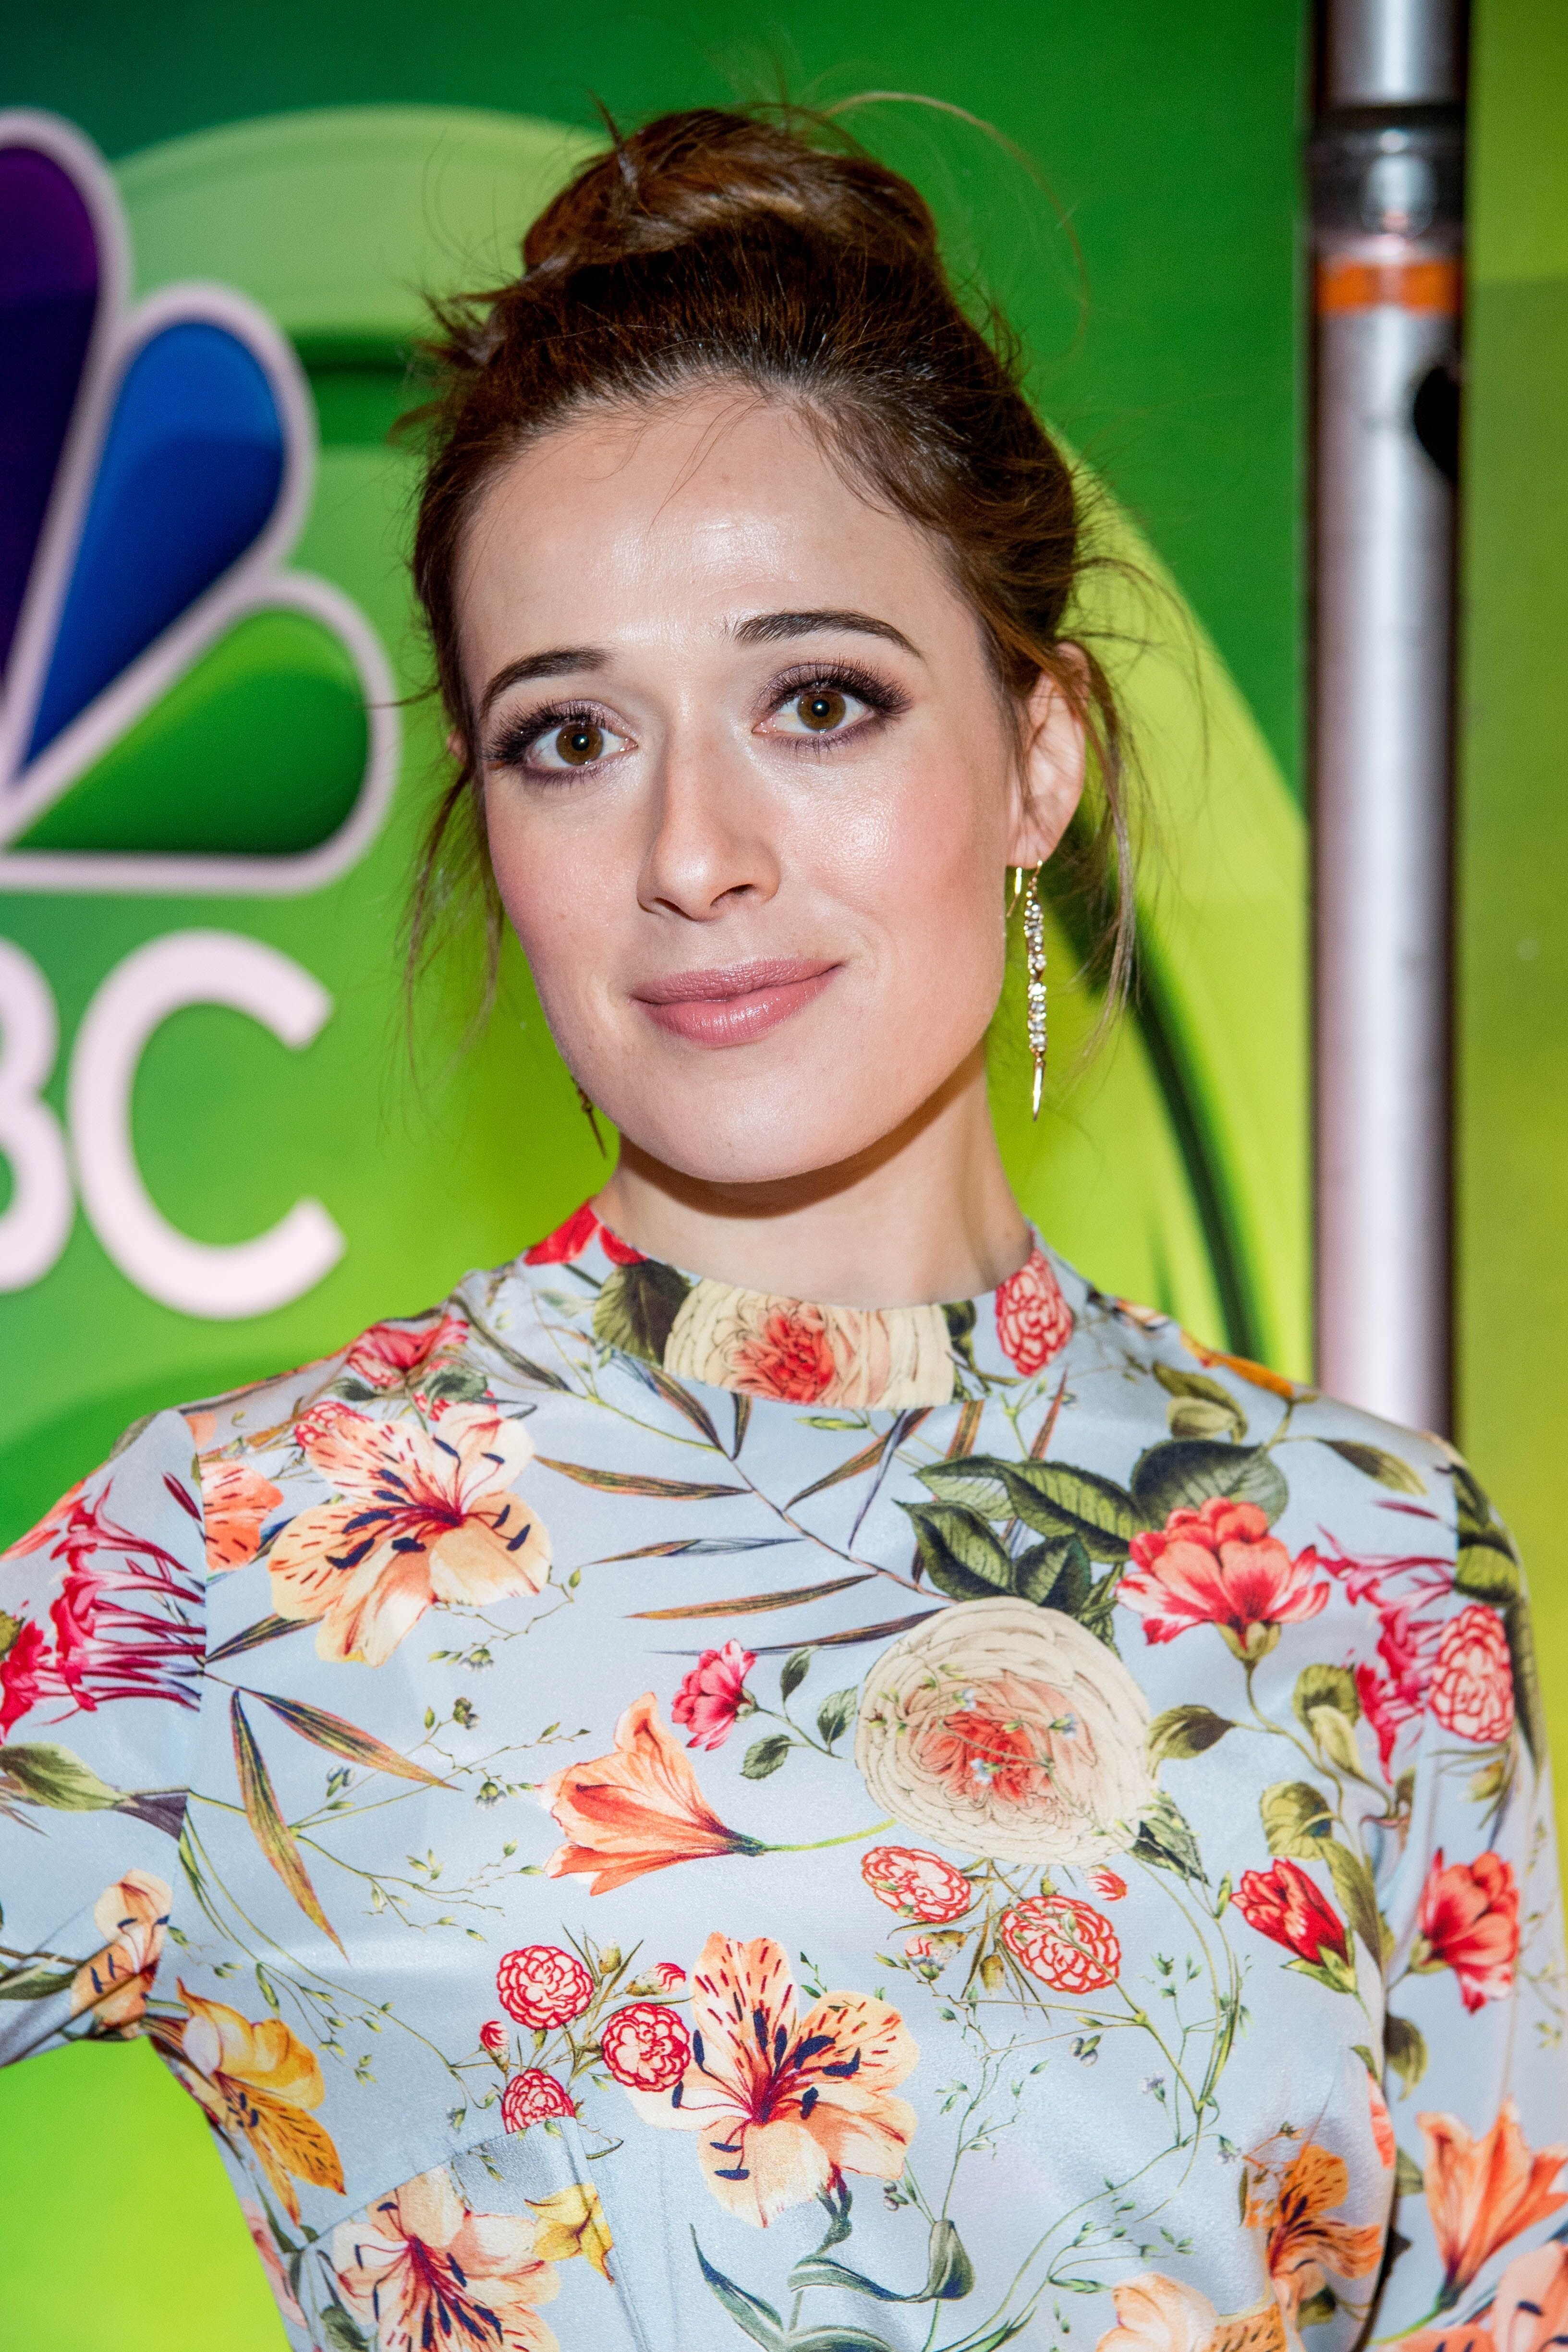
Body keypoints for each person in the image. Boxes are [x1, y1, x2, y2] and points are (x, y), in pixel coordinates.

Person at [1, 106, 1563, 2352]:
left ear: (1039, 754)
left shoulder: (1367, 1564)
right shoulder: (244, 1559)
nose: (694, 850)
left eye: (817, 699)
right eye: (567, 738)